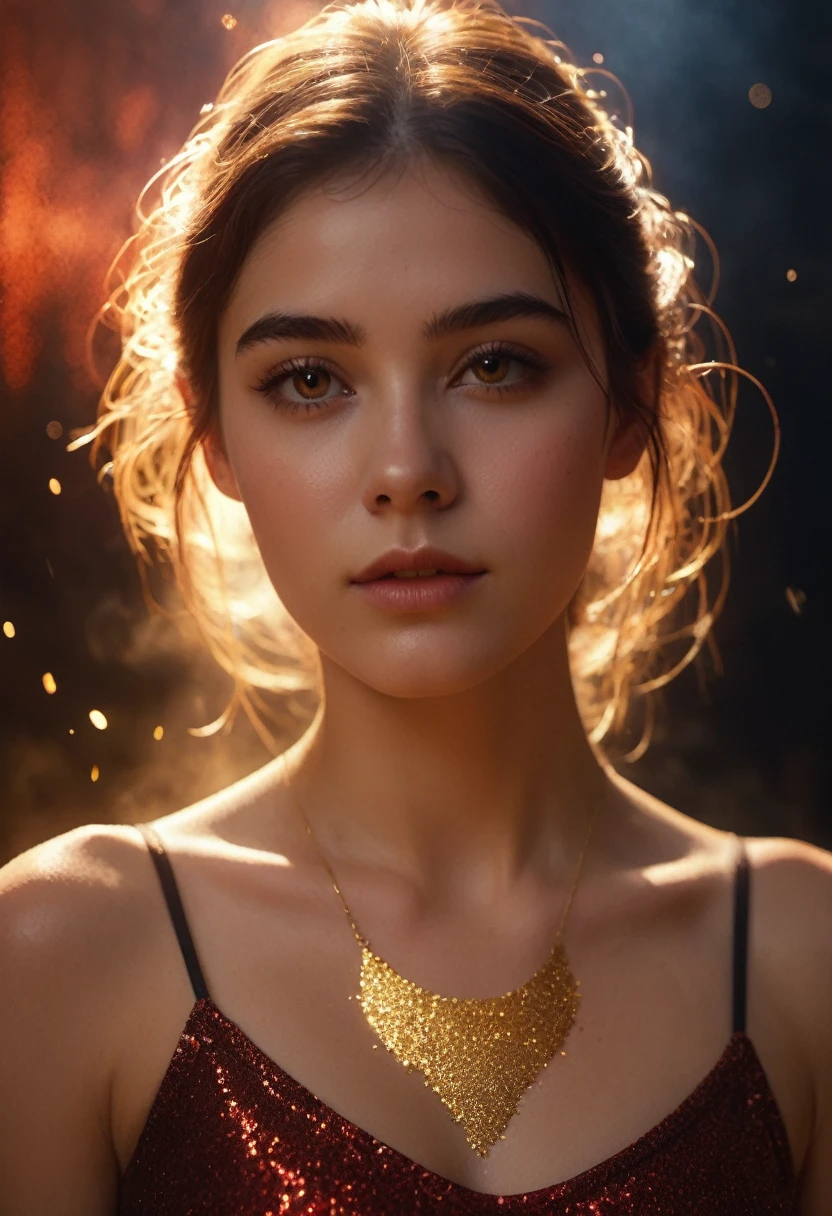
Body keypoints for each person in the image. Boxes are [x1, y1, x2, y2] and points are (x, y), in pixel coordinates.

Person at [1, 0, 829, 1211]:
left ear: (629, 405)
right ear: (216, 434)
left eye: (495, 363)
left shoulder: (804, 959)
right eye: (309, 380)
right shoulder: (62, 958)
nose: (407, 468)